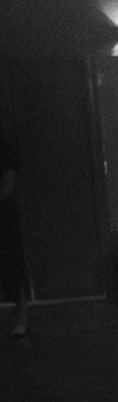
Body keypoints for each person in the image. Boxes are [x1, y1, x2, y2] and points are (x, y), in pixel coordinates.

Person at [0, 138, 31, 338]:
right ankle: (21, 318)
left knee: (12, 265)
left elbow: (7, 188)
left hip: (4, 217)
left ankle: (22, 317)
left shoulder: (5, 150)